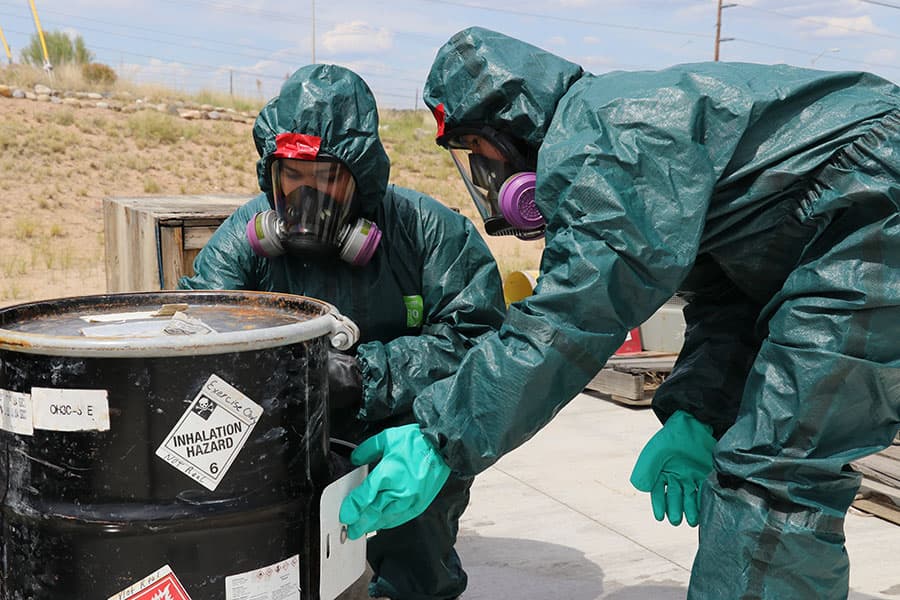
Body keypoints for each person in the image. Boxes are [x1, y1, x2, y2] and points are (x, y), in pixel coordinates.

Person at [338, 26, 900, 599]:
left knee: (775, 476)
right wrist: (700, 412)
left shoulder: (603, 142)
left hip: (876, 204)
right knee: (767, 466)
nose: (485, 179)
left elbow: (569, 318)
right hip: (855, 208)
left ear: (513, 128)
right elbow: (730, 288)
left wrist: (440, 437)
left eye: (480, 155)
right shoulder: (615, 130)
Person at [179, 63, 507, 600]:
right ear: (272, 174)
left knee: (421, 520)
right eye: (293, 176)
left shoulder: (428, 232)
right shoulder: (244, 237)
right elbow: (197, 329)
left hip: (394, 418)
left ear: (363, 174)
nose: (307, 197)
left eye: (327, 177)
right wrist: (287, 378)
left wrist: (364, 374)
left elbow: (479, 342)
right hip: (281, 417)